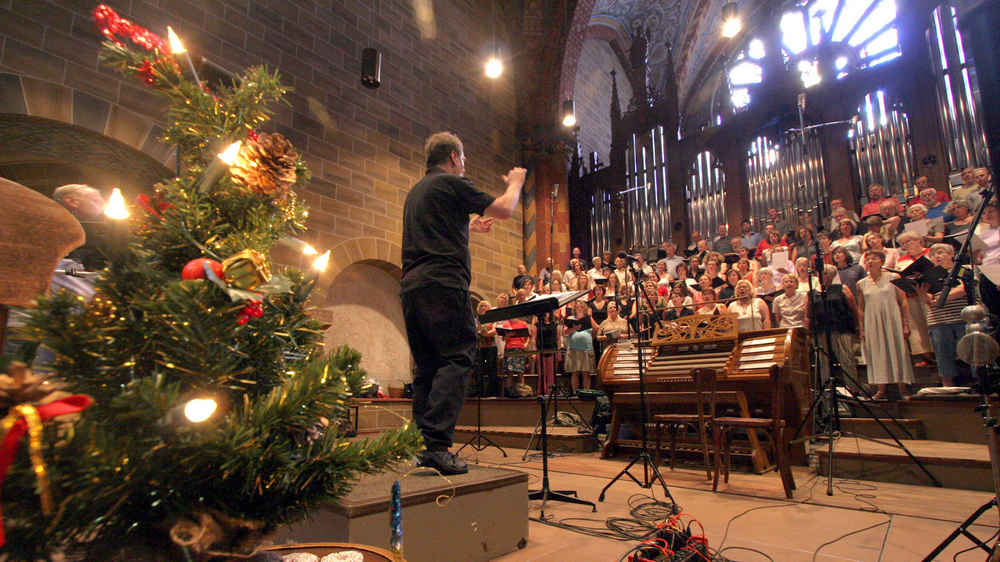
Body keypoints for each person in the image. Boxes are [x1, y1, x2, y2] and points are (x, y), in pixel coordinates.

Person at [401, 131, 525, 474]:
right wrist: (515, 182)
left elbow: (434, 234)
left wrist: (468, 228)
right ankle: (438, 446)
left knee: (427, 366)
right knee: (457, 357)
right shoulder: (452, 183)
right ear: (454, 157)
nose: (464, 164)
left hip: (413, 286)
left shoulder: (417, 192)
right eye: (464, 159)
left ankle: (420, 446)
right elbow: (504, 208)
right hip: (444, 283)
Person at [856, 250, 914, 400]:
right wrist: (862, 329)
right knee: (877, 352)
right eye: (867, 259)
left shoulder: (893, 277)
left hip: (892, 318)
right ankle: (881, 389)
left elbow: (903, 301)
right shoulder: (861, 283)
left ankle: (903, 389)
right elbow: (861, 308)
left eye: (874, 258)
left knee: (897, 350)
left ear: (881, 261)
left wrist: (906, 323)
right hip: (872, 321)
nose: (870, 261)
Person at [924, 244, 974, 386]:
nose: (937, 256)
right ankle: (948, 385)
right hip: (938, 320)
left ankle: (980, 384)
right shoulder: (930, 275)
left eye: (940, 253)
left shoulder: (963, 270)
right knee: (942, 355)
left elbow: (963, 289)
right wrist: (921, 293)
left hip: (961, 317)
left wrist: (941, 299)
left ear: (952, 254)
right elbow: (929, 300)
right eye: (933, 255)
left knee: (971, 352)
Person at [806, 264, 860, 383]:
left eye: (825, 273)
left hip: (841, 328)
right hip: (821, 330)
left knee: (847, 359)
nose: (822, 276)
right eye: (820, 273)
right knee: (824, 362)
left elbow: (854, 308)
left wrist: (858, 327)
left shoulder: (842, 288)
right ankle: (827, 389)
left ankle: (853, 388)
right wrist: (809, 333)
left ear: (831, 275)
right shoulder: (812, 293)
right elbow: (808, 315)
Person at [474, 301, 500, 397]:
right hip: (479, 347)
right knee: (479, 369)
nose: (483, 307)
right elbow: (474, 330)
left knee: (492, 370)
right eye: (481, 306)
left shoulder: (492, 319)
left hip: (491, 347)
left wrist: (486, 334)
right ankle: (479, 392)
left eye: (485, 306)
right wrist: (481, 332)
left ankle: (491, 392)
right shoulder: (476, 320)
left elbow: (495, 330)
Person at [564, 314, 593, 392]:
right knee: (575, 372)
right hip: (573, 349)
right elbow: (565, 332)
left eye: (581, 306)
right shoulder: (570, 318)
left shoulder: (588, 318)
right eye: (578, 307)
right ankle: (575, 393)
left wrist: (590, 318)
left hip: (586, 348)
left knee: (586, 373)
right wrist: (574, 328)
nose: (579, 308)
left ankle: (586, 392)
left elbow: (596, 329)